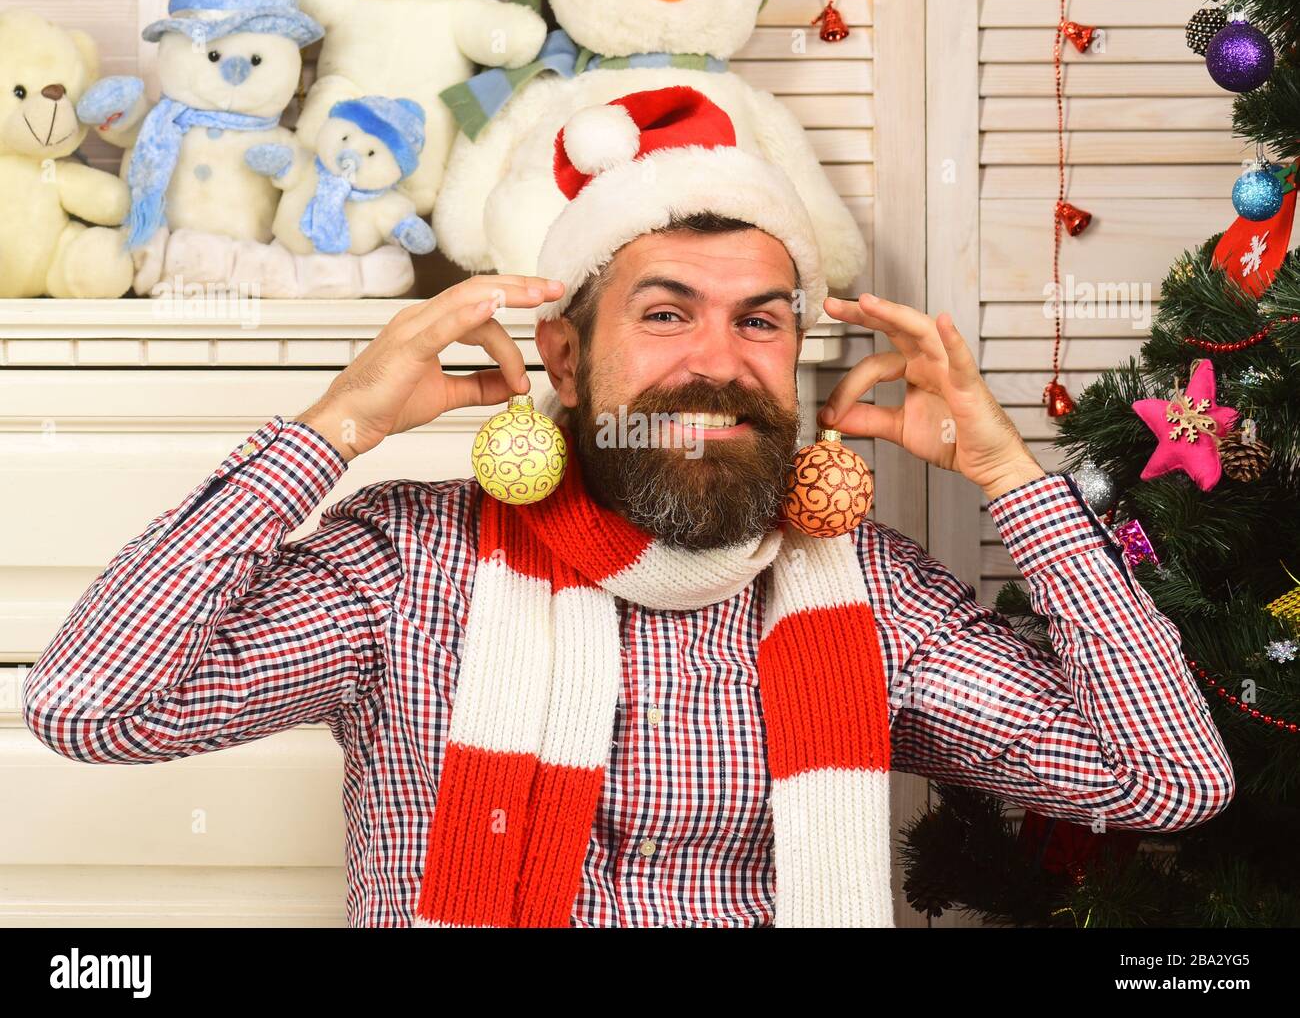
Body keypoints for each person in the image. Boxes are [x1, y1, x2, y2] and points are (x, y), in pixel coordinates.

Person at [24, 86, 1235, 928]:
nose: (718, 362)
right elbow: (94, 709)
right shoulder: (405, 566)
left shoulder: (871, 592)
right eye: (665, 314)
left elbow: (1166, 781)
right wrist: (330, 430)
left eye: (760, 318)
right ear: (561, 356)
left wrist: (1012, 480)